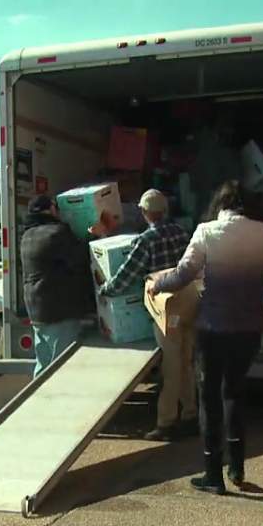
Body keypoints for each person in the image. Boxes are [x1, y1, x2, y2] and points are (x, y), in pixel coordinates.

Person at [150, 181, 263, 494]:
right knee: (234, 393)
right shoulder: (261, 232)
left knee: (209, 397)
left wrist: (159, 285)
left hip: (213, 329)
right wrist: (255, 288)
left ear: (220, 205)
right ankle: (237, 468)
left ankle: (213, 474)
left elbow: (183, 274)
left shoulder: (206, 231)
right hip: (249, 327)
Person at [100, 189, 195, 441]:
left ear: (144, 212)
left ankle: (166, 423)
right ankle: (191, 414)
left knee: (171, 366)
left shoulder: (146, 240)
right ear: (165, 210)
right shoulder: (181, 232)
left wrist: (104, 290)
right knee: (187, 361)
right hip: (189, 302)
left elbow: (127, 275)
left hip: (166, 307)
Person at [19, 194, 93, 377]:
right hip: (59, 310)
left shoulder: (27, 236)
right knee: (62, 366)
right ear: (50, 209)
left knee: (43, 364)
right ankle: (61, 403)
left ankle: (39, 401)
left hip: (36, 310)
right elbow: (79, 258)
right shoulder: (57, 232)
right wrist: (93, 236)